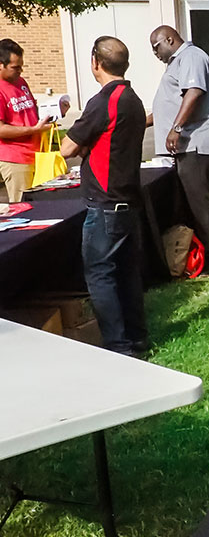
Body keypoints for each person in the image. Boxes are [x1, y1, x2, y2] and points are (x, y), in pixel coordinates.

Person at [59, 37, 148, 357]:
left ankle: (118, 347)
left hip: (106, 204)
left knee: (100, 275)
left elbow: (67, 148)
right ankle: (136, 339)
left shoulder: (104, 101)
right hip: (127, 201)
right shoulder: (133, 99)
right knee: (125, 274)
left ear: (95, 62)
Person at [148, 26, 209, 274]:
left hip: (198, 142)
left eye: (156, 46)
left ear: (169, 39)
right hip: (188, 143)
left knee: (200, 203)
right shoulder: (176, 62)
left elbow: (194, 93)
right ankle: (198, 253)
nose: (154, 53)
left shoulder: (191, 56)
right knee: (191, 203)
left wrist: (177, 128)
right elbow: (169, 104)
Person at [0, 39, 50, 203]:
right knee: (25, 208)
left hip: (37, 155)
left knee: (47, 205)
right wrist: (33, 130)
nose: (20, 71)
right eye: (15, 67)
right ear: (1, 65)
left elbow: (31, 111)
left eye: (21, 66)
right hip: (15, 159)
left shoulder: (20, 82)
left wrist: (54, 111)